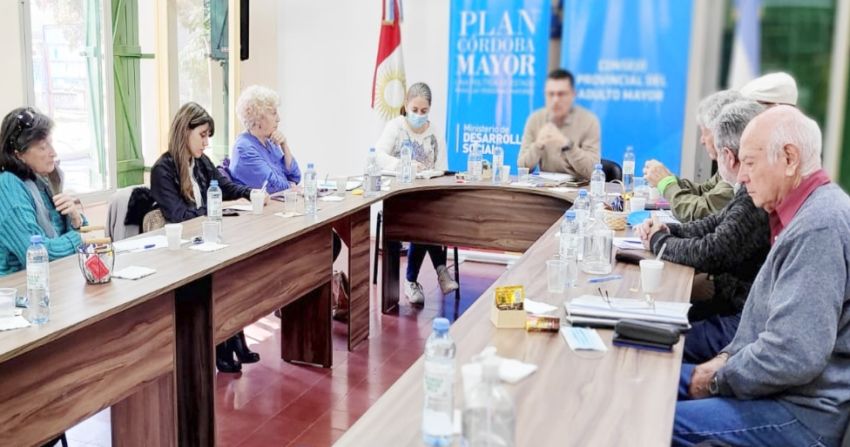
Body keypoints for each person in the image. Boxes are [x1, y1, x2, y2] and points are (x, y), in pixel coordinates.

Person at [673, 106, 850, 447]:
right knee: (642, 381)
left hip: (800, 414)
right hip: (777, 393)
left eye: (750, 162)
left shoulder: (819, 227)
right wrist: (724, 361)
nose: (741, 176)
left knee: (649, 414)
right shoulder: (805, 214)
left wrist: (715, 379)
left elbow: (794, 354)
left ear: (789, 158)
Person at [635, 100, 769, 363]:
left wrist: (660, 240)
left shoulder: (756, 196)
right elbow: (714, 222)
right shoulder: (748, 191)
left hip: (742, 321)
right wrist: (669, 229)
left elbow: (712, 251)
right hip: (735, 307)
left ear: (728, 155)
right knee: (649, 321)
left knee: (650, 340)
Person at [150, 102, 260, 374]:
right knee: (223, 274)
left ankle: (233, 336)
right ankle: (224, 343)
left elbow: (225, 187)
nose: (206, 142)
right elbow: (180, 216)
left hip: (205, 242)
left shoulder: (200, 162)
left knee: (238, 268)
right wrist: (217, 209)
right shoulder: (163, 169)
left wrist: (249, 193)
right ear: (184, 132)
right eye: (202, 135)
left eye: (208, 135)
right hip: (181, 252)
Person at [374, 82, 458, 304]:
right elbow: (378, 156)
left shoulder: (435, 132)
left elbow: (443, 168)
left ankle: (412, 281)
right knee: (424, 217)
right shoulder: (396, 127)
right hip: (399, 197)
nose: (419, 115)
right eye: (414, 110)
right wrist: (405, 164)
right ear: (406, 105)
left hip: (426, 196)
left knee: (425, 215)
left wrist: (432, 174)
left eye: (424, 111)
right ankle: (439, 269)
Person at [0, 107, 84, 276]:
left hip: (51, 278)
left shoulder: (41, 179)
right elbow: (37, 254)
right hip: (17, 286)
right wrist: (78, 238)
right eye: (43, 147)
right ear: (18, 154)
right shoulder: (9, 186)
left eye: (51, 143)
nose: (53, 153)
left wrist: (76, 218)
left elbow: (76, 229)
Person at [643, 90, 740, 222]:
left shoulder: (735, 169)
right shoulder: (726, 164)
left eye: (705, 132)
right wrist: (669, 179)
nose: (702, 140)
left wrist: (666, 184)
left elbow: (701, 212)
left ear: (720, 131)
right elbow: (704, 190)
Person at [517, 69, 600, 180]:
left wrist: (567, 145)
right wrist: (537, 146)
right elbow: (522, 167)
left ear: (573, 95)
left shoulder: (589, 121)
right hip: (545, 186)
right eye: (551, 94)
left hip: (578, 188)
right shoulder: (535, 119)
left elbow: (592, 171)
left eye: (561, 94)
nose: (555, 100)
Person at [229, 85, 301, 193]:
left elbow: (295, 177)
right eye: (274, 113)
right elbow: (274, 187)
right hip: (259, 204)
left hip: (276, 202)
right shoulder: (244, 148)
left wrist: (284, 145)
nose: (278, 119)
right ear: (257, 117)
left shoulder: (269, 142)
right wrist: (291, 186)